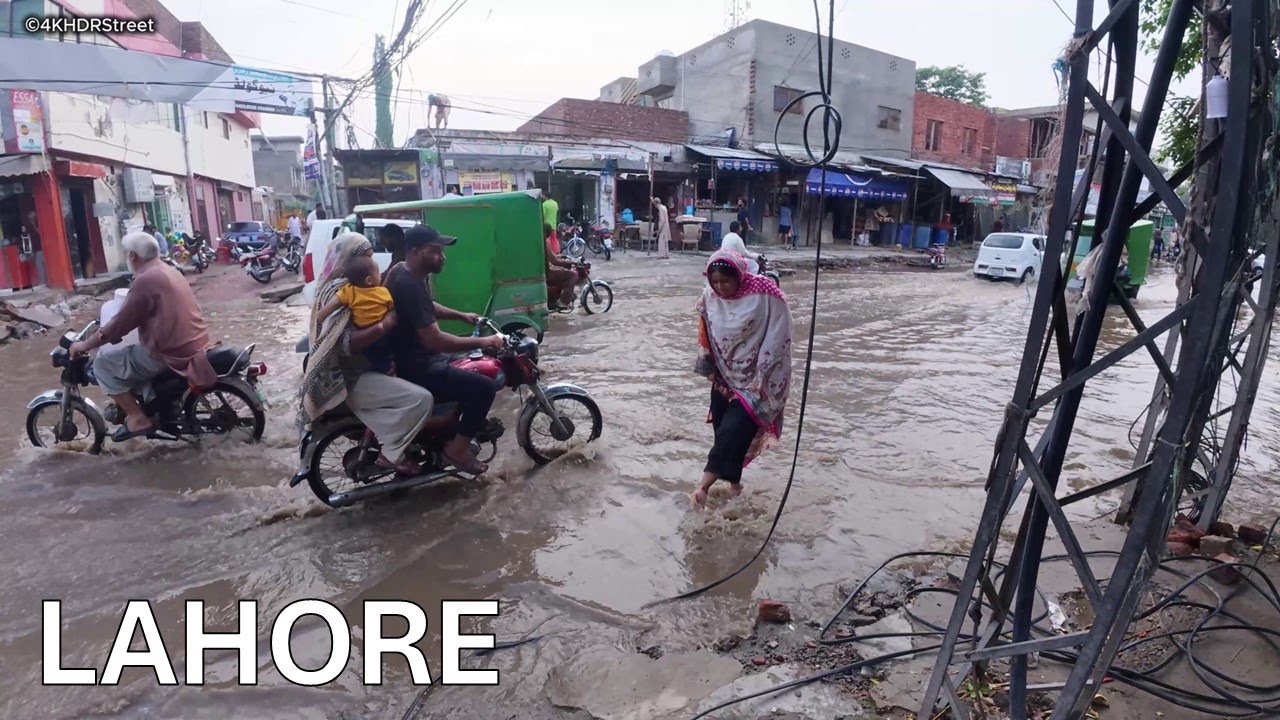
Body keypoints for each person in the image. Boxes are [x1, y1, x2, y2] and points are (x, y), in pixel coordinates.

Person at [299, 234, 434, 476]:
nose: (374, 265)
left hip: (367, 368)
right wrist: (383, 326)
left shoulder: (348, 288)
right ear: (352, 260)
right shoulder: (339, 293)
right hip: (350, 379)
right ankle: (391, 453)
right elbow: (345, 343)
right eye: (369, 258)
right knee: (422, 400)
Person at [69, 232, 216, 441]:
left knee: (103, 364)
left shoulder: (146, 280)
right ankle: (150, 401)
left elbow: (120, 324)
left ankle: (137, 417)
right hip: (194, 342)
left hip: (169, 353)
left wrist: (86, 344)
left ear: (133, 256)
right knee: (128, 357)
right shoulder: (169, 270)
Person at [383, 225, 505, 475]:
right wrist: (484, 341)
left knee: (466, 363)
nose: (443, 257)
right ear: (416, 252)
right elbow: (435, 340)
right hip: (418, 364)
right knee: (483, 387)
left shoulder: (404, 273)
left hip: (414, 357)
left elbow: (428, 306)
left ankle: (448, 431)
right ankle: (457, 450)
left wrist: (463, 316)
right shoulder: (407, 285)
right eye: (435, 251)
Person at [691, 251, 793, 509]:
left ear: (739, 276)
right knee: (723, 435)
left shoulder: (764, 295)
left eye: (725, 281)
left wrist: (763, 374)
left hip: (756, 382)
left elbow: (780, 330)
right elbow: (705, 331)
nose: (720, 287)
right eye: (715, 281)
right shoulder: (710, 298)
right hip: (724, 376)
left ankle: (703, 487)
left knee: (732, 431)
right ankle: (735, 484)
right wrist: (708, 366)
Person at [316, 255, 395, 373]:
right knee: (385, 354)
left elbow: (334, 303)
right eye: (378, 274)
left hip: (362, 331)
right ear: (369, 280)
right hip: (383, 335)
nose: (380, 276)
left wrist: (319, 316)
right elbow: (390, 307)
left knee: (375, 357)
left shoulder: (349, 290)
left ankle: (383, 369)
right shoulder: (383, 292)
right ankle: (389, 370)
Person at [545, 223, 579, 309]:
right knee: (573, 275)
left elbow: (552, 256)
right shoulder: (544, 242)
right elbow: (555, 261)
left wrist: (561, 256)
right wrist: (571, 261)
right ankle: (563, 302)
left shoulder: (541, 241)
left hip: (546, 268)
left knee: (563, 270)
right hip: (548, 271)